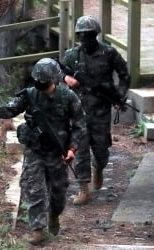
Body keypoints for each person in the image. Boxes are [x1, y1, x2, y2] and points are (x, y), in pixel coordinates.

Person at [0, 58, 86, 244]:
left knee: (59, 192)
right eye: (38, 81)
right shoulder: (29, 95)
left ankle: (53, 215)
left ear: (55, 80)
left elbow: (79, 125)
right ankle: (38, 229)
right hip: (35, 150)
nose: (40, 85)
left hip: (58, 153)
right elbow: (12, 109)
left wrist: (72, 148)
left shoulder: (68, 97)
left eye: (45, 82)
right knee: (33, 187)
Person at [61, 15, 130, 205]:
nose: (85, 39)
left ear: (95, 35)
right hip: (77, 110)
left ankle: (98, 167)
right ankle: (84, 189)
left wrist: (119, 96)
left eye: (89, 35)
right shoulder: (72, 55)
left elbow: (124, 74)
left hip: (100, 109)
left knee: (101, 150)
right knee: (80, 149)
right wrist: (67, 79)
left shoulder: (109, 53)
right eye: (82, 35)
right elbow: (59, 71)